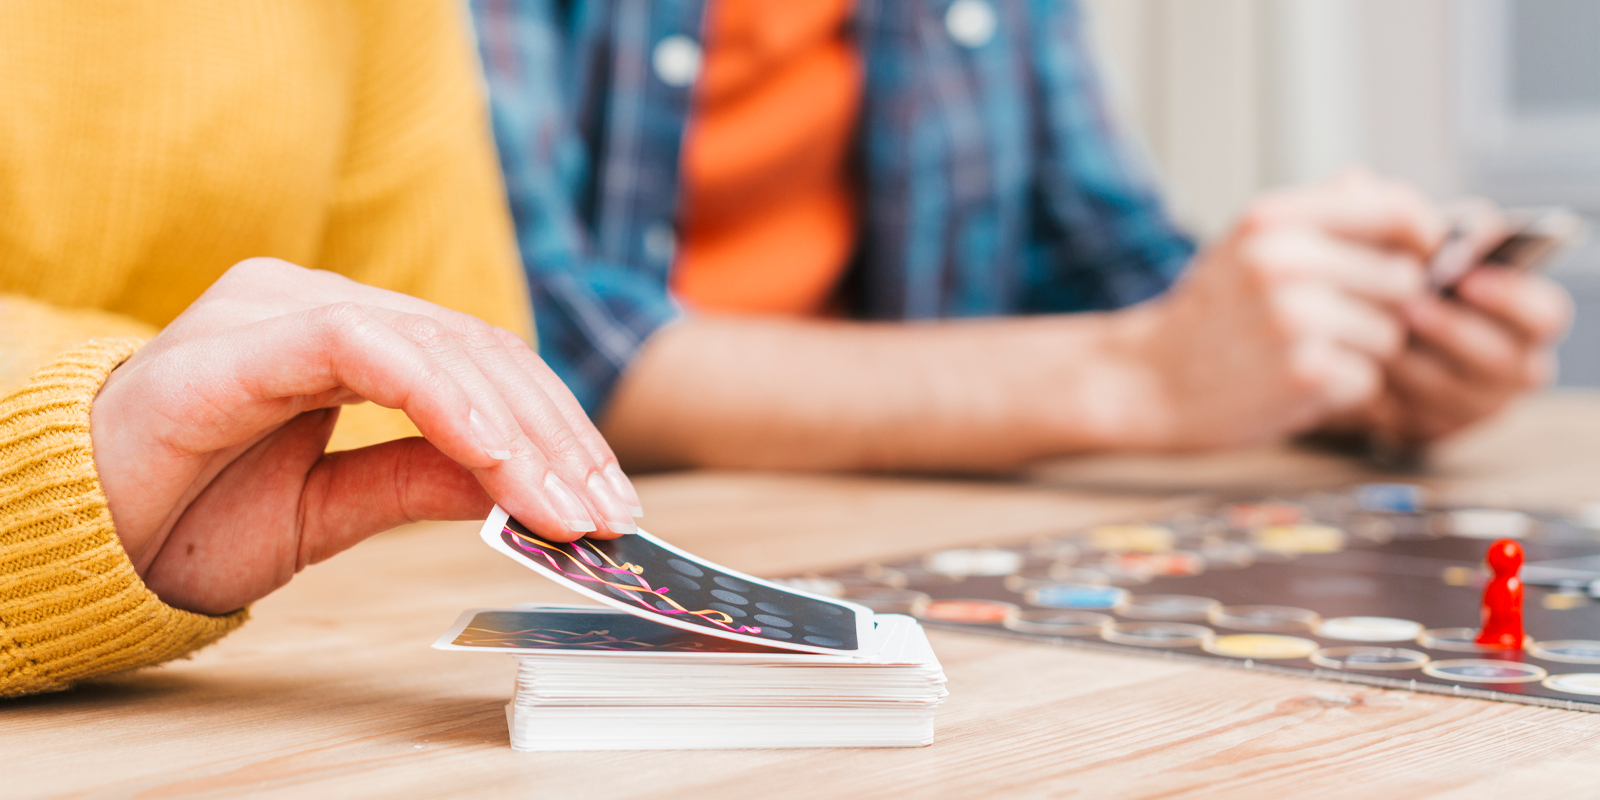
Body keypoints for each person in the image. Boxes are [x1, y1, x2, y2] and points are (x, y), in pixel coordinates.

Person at [471, 0, 1571, 473]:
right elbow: (538, 340)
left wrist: (1338, 355)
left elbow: (1116, 266)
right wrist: (1141, 376)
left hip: (883, 557)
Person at [0, 2, 636, 698]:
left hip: (305, 620)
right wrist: (112, 427)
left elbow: (442, 361)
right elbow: (366, 354)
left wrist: (168, 428)